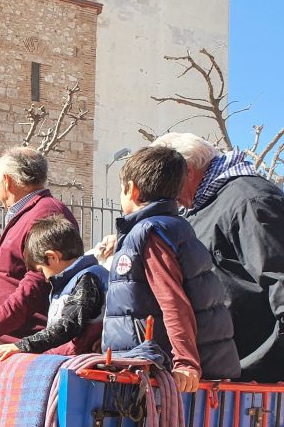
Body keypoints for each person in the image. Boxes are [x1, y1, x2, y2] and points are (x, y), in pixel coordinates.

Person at [101, 145, 240, 390]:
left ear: (131, 190)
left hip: (161, 366)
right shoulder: (171, 227)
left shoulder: (151, 233)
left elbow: (172, 299)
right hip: (154, 361)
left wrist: (185, 362)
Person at [150, 132, 284, 382]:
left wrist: (255, 368)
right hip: (224, 378)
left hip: (254, 385)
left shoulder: (250, 201)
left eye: (164, 177)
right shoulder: (205, 206)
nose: (163, 191)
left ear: (187, 170)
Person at [0, 147, 77, 345]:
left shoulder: (45, 213)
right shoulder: (29, 211)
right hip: (8, 338)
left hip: (26, 342)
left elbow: (37, 282)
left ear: (7, 180)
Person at [0, 215, 108, 363]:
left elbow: (67, 326)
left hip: (84, 369)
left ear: (52, 257)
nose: (44, 278)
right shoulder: (71, 282)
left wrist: (20, 346)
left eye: (41, 269)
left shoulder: (87, 278)